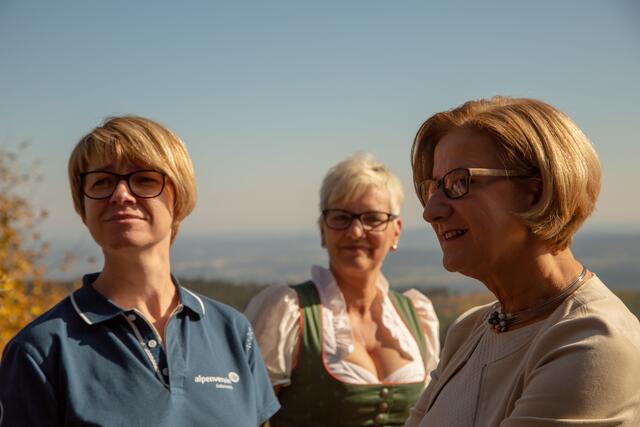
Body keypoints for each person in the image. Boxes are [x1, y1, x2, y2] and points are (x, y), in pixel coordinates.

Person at [0, 116, 279, 426]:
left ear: (180, 196)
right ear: (84, 208)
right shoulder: (40, 350)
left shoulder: (232, 331)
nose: (120, 194)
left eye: (144, 179)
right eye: (102, 182)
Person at [404, 96, 640, 426]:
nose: (431, 212)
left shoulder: (591, 343)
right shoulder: (470, 329)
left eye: (460, 182)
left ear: (536, 190)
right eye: (433, 187)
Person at [245, 153, 440, 427]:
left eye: (373, 218)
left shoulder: (417, 315)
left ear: (396, 231)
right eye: (341, 217)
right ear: (323, 230)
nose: (356, 231)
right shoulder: (288, 312)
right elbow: (244, 417)